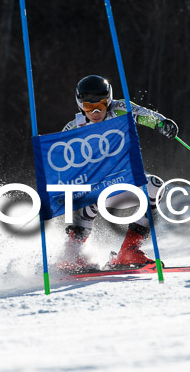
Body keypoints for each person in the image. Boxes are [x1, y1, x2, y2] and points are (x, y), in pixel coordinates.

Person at [57, 75, 178, 272]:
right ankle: (73, 253)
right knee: (90, 191)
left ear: (109, 101)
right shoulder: (73, 129)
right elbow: (59, 162)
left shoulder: (120, 109)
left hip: (123, 184)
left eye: (101, 105)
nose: (95, 112)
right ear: (80, 105)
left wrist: (163, 124)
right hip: (93, 190)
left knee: (155, 186)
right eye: (88, 107)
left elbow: (146, 115)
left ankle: (129, 251)